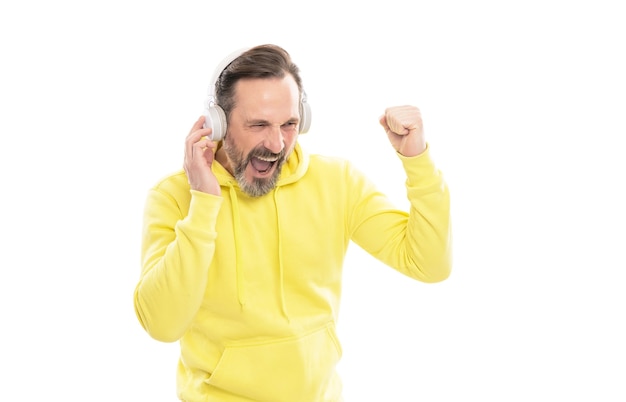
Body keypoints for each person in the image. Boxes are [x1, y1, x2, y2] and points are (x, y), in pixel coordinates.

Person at [133, 44, 452, 402]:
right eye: (258, 125)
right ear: (217, 124)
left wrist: (417, 160)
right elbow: (162, 325)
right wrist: (204, 203)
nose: (276, 143)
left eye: (289, 124)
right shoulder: (174, 197)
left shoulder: (337, 182)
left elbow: (429, 264)